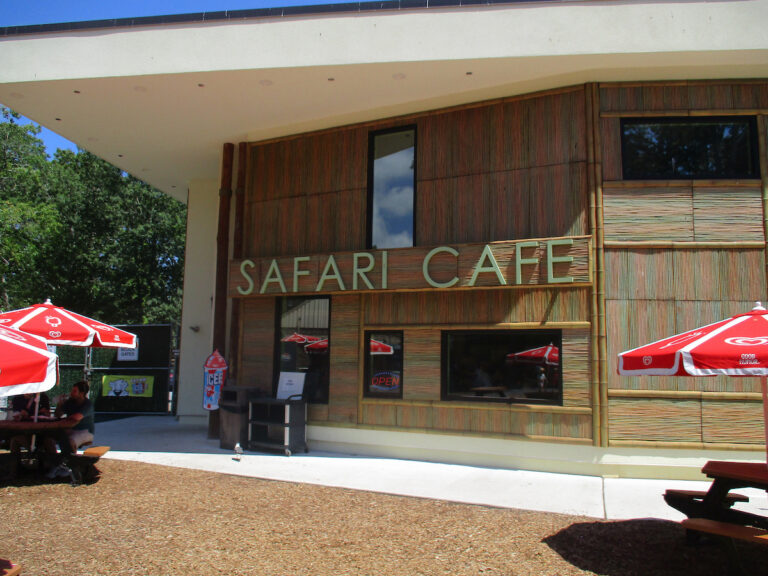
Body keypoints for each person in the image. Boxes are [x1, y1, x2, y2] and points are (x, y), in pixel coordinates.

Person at [45, 381, 95, 479]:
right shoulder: (69, 402)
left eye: (74, 391)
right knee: (48, 440)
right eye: (72, 390)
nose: (71, 393)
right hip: (69, 429)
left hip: (85, 431)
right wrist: (60, 404)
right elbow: (57, 415)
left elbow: (76, 418)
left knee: (70, 441)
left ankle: (72, 467)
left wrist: (62, 423)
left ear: (82, 393)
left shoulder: (87, 404)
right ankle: (57, 464)